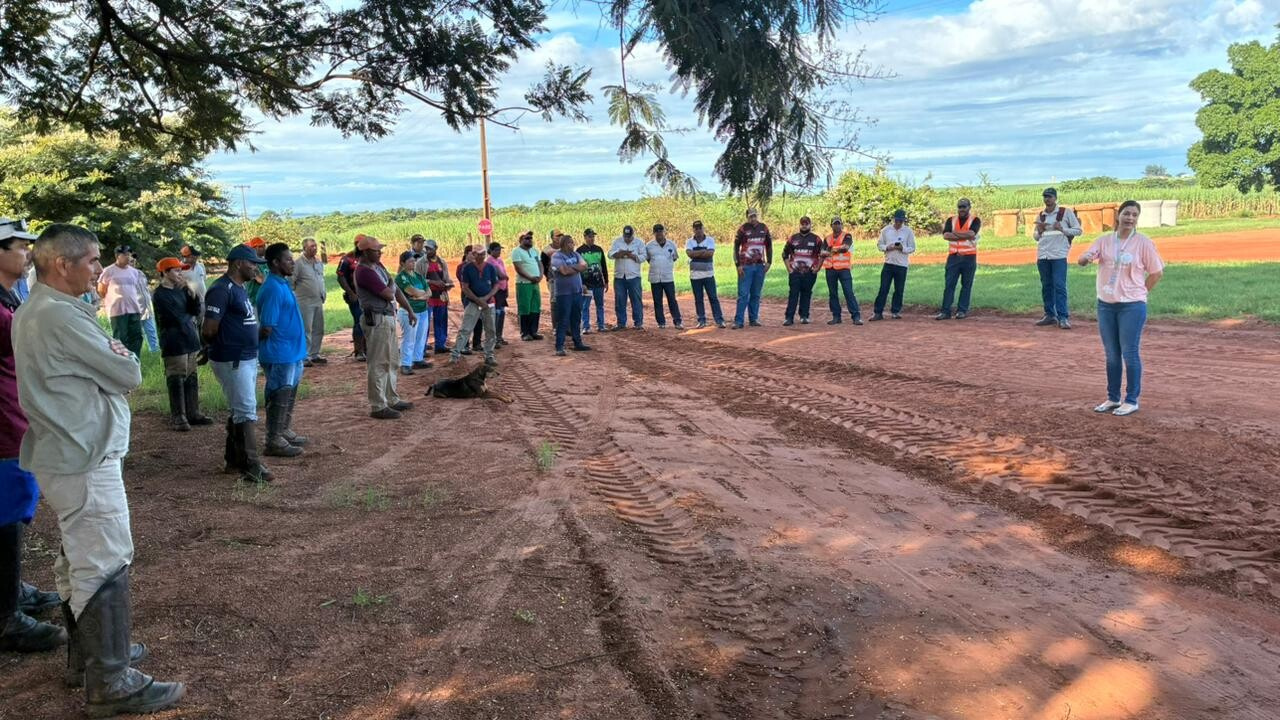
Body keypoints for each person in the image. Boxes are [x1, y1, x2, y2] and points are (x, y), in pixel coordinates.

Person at [14, 223, 185, 715]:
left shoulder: (42, 310)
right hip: (83, 455)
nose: (99, 270)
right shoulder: (60, 316)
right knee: (104, 559)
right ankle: (111, 680)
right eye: (91, 261)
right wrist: (111, 371)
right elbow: (129, 370)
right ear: (62, 264)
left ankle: (89, 657)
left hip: (68, 452)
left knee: (79, 556)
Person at [0, 218, 67, 654]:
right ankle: (6, 617)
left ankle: (12, 589)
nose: (27, 253)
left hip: (14, 419)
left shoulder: (9, 296)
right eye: (19, 246)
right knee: (4, 518)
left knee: (14, 515)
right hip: (2, 426)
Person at [1078, 200, 1164, 417]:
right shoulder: (1105, 240)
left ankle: (1132, 399)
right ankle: (1113, 398)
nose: (1130, 218)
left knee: (1130, 352)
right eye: (1127, 213)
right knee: (1111, 355)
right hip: (1106, 305)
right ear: (1118, 215)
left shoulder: (1143, 243)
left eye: (1135, 215)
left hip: (1132, 306)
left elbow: (1156, 272)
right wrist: (1085, 258)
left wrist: (1141, 293)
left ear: (1138, 218)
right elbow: (1083, 257)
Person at [205, 244, 273, 483]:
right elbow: (210, 328)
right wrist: (219, 346)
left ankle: (233, 460)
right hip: (233, 357)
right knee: (245, 409)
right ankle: (251, 465)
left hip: (245, 356)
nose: (256, 267)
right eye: (252, 263)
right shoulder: (221, 290)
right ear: (238, 264)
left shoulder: (239, 288)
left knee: (240, 408)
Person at [353, 235, 417, 420]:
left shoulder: (377, 266)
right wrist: (390, 283)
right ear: (365, 252)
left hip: (386, 317)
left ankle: (391, 398)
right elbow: (390, 293)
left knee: (391, 360)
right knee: (379, 362)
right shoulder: (364, 271)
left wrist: (409, 310)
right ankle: (378, 404)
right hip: (377, 319)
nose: (380, 252)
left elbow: (394, 290)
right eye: (376, 250)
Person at [256, 243, 309, 457]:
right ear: (275, 263)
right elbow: (267, 327)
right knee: (279, 392)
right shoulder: (272, 288)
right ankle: (273, 439)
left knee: (289, 391)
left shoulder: (282, 283)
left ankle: (283, 429)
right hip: (280, 352)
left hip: (291, 351)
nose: (293, 263)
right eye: (288, 259)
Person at [152, 258, 213, 432]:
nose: (180, 274)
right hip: (174, 339)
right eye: (176, 270)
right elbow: (174, 318)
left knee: (191, 375)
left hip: (189, 338)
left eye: (181, 270)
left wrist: (192, 293)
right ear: (165, 272)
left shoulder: (183, 290)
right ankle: (178, 416)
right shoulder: (160, 294)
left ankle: (193, 413)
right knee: (176, 376)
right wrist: (190, 318)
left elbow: (195, 311)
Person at [1034, 187, 1082, 329]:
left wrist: (1062, 229)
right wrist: (1039, 231)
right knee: (1046, 286)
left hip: (1059, 255)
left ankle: (1063, 316)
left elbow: (1078, 230)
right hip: (1043, 255)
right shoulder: (1041, 215)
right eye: (1045, 197)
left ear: (1055, 198)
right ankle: (1049, 314)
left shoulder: (1065, 213)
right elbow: (1036, 236)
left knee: (1059, 286)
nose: (1047, 199)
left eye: (1049, 196)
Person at [451, 243, 500, 366]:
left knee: (491, 330)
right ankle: (455, 354)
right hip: (474, 302)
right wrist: (479, 300)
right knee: (465, 329)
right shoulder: (467, 268)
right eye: (479, 254)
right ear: (473, 254)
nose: (481, 256)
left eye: (483, 254)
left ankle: (489, 354)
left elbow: (496, 285)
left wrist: (486, 298)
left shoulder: (490, 268)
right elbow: (465, 287)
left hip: (488, 303)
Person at [97, 244, 148, 355]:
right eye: (125, 255)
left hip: (134, 309)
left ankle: (135, 361)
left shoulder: (134, 272)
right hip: (117, 311)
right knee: (121, 338)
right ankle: (122, 363)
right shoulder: (108, 271)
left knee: (137, 336)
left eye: (129, 255)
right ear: (117, 256)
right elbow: (101, 290)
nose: (128, 257)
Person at [936, 198, 981, 320]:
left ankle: (962, 310)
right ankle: (945, 311)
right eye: (960, 207)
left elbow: (972, 234)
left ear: (969, 207)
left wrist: (954, 234)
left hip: (969, 257)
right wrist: (964, 236)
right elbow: (946, 235)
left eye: (964, 207)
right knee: (949, 284)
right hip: (953, 257)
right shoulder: (951, 220)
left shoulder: (975, 220)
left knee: (966, 285)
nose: (961, 209)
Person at [871, 210, 916, 321]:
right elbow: (879, 244)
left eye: (901, 220)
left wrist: (902, 248)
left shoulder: (908, 231)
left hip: (902, 265)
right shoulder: (886, 230)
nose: (899, 222)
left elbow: (912, 247)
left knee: (899, 289)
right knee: (883, 288)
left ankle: (895, 311)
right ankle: (878, 312)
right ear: (894, 219)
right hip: (889, 263)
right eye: (897, 220)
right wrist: (887, 247)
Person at [551, 234, 592, 356]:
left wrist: (571, 268)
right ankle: (559, 346)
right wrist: (577, 268)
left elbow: (585, 266)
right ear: (564, 244)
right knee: (563, 320)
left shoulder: (575, 254)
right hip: (564, 294)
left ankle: (577, 343)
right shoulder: (557, 256)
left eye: (573, 243)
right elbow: (564, 271)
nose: (572, 245)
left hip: (577, 292)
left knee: (576, 318)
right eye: (570, 243)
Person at [732, 208, 772, 329]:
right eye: (750, 216)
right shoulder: (743, 229)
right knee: (743, 294)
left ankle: (753, 319)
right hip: (746, 266)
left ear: (757, 216)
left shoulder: (764, 228)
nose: (753, 218)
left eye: (755, 216)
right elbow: (735, 248)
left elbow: (769, 246)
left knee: (756, 294)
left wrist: (769, 261)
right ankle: (739, 321)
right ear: (747, 217)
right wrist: (738, 265)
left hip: (760, 265)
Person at [291, 237, 328, 366]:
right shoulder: (298, 264)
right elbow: (291, 282)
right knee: (306, 329)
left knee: (319, 328)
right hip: (304, 301)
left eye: (315, 246)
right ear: (304, 248)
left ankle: (315, 354)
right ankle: (304, 356)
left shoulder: (318, 262)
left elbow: (321, 279)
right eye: (311, 246)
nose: (314, 248)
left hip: (318, 300)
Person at [394, 250, 432, 374]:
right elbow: (412, 291)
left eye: (414, 261)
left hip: (422, 309)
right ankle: (405, 363)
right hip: (409, 311)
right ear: (402, 263)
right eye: (410, 261)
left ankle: (417, 359)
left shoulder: (418, 275)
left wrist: (420, 296)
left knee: (421, 336)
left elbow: (429, 293)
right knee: (409, 338)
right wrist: (423, 294)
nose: (413, 263)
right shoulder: (401, 277)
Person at [782, 216, 822, 326]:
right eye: (802, 224)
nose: (804, 226)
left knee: (806, 293)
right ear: (799, 225)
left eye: (806, 224)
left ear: (810, 225)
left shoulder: (816, 239)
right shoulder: (792, 238)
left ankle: (804, 316)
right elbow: (784, 254)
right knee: (793, 294)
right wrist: (789, 269)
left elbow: (822, 255)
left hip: (809, 272)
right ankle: (789, 317)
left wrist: (817, 268)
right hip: (795, 272)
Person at [822, 217, 863, 325]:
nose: (837, 226)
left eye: (838, 224)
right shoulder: (827, 238)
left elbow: (845, 247)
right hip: (830, 268)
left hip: (844, 268)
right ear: (831, 225)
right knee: (833, 293)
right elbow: (822, 252)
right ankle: (836, 316)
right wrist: (833, 250)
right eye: (835, 224)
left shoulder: (847, 236)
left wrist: (832, 250)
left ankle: (856, 316)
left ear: (842, 225)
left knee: (848, 292)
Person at [685, 220, 724, 329]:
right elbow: (689, 254)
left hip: (708, 275)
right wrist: (703, 251)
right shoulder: (689, 241)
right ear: (693, 229)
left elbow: (710, 253)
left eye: (700, 228)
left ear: (703, 228)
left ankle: (719, 320)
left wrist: (695, 254)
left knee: (713, 297)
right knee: (698, 299)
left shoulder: (710, 240)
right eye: (696, 228)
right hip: (695, 276)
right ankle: (701, 320)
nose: (698, 230)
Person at [646, 224, 684, 329]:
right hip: (655, 278)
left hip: (668, 277)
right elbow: (648, 259)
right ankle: (661, 322)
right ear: (654, 233)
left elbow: (675, 258)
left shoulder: (671, 244)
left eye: (661, 231)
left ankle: (677, 321)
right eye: (657, 232)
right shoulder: (649, 246)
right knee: (657, 301)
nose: (659, 234)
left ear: (664, 232)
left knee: (672, 300)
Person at [418, 240, 453, 353]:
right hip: (427, 296)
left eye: (430, 249)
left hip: (441, 295)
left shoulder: (442, 262)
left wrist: (448, 284)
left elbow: (446, 277)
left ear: (436, 248)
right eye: (426, 249)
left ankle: (440, 344)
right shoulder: (420, 263)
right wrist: (433, 282)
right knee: (425, 323)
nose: (427, 251)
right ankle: (421, 348)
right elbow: (418, 279)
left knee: (441, 320)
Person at [609, 225, 647, 329]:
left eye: (629, 237)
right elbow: (610, 254)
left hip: (634, 276)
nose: (627, 239)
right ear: (623, 235)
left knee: (636, 300)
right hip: (619, 276)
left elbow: (644, 256)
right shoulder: (617, 242)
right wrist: (619, 254)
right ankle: (621, 323)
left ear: (632, 235)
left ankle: (638, 323)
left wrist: (633, 256)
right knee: (620, 300)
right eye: (625, 236)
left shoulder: (639, 243)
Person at [335, 240, 366, 361]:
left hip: (367, 296)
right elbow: (340, 277)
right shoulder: (347, 259)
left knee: (368, 321)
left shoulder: (366, 258)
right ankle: (358, 350)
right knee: (359, 321)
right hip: (355, 295)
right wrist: (350, 293)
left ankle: (366, 348)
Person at [511, 230, 544, 341]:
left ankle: (533, 331)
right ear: (520, 240)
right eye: (526, 238)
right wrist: (530, 278)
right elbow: (518, 268)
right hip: (524, 283)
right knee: (525, 308)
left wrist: (540, 276)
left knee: (535, 307)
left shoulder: (535, 251)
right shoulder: (517, 251)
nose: (529, 240)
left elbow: (540, 264)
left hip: (535, 282)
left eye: (530, 238)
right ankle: (525, 333)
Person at [577, 229, 609, 334]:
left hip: (599, 282)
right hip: (587, 283)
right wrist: (581, 283)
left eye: (593, 237)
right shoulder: (579, 251)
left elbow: (604, 266)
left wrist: (606, 281)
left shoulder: (599, 249)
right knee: (585, 305)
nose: (592, 239)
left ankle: (601, 325)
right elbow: (578, 269)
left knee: (599, 305)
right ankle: (586, 326)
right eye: (590, 237)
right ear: (585, 237)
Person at [132, 254, 160, 353]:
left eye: (134, 259)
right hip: (135, 311)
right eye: (130, 259)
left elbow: (146, 290)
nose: (133, 261)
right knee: (136, 336)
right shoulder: (124, 275)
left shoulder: (140, 273)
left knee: (152, 333)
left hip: (147, 309)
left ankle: (155, 354)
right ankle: (135, 355)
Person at [486, 242, 511, 346]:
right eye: (496, 250)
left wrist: (507, 288)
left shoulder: (500, 260)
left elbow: (504, 276)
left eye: (499, 249)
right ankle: (494, 338)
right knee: (496, 314)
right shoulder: (490, 261)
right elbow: (500, 275)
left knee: (501, 313)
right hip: (495, 290)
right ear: (491, 251)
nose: (499, 252)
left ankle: (499, 336)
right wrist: (505, 277)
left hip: (502, 289)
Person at [179, 244, 207, 310]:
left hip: (203, 301)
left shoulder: (201, 266)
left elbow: (203, 280)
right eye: (193, 256)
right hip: (188, 303)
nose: (196, 257)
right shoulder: (178, 269)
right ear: (186, 256)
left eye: (197, 256)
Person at [244, 236, 268, 303]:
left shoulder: (265, 262)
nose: (265, 248)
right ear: (256, 248)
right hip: (255, 302)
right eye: (262, 246)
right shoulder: (251, 263)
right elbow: (261, 280)